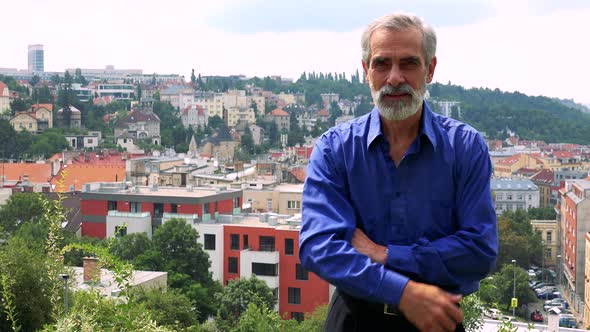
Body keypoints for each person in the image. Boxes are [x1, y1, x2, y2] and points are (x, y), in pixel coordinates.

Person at [299, 12, 498, 332]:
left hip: (438, 322)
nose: (394, 78)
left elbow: (480, 252)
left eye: (408, 63)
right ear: (365, 71)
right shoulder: (335, 149)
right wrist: (405, 293)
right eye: (381, 64)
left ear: (430, 69)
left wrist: (385, 255)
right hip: (353, 320)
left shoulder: (465, 147)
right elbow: (319, 247)